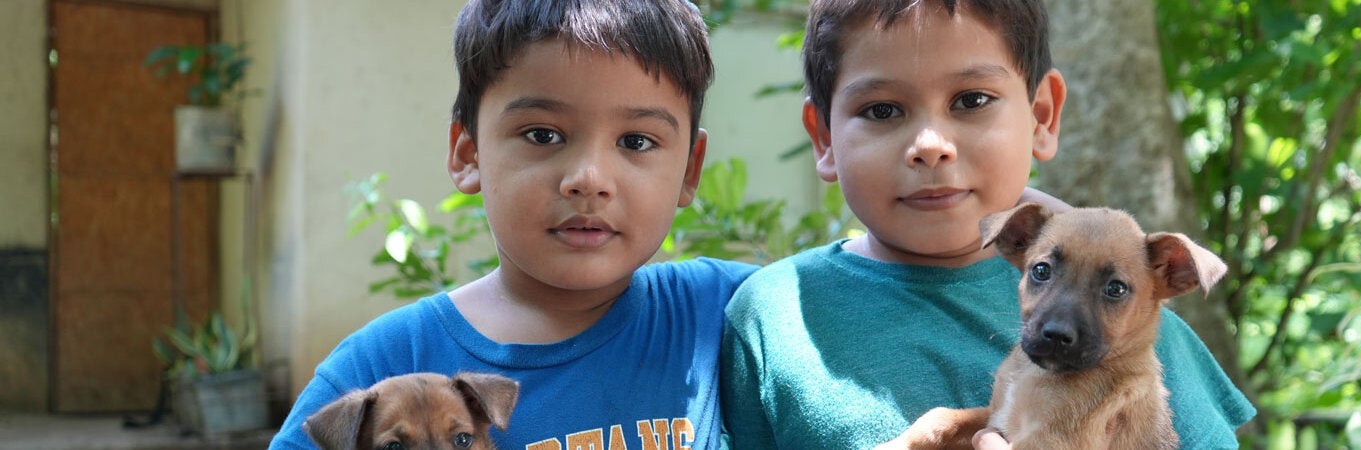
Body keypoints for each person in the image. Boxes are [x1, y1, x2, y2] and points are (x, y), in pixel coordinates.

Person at [719, 0, 1256, 448]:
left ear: (1041, 116)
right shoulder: (775, 316)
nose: (931, 146)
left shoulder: (1150, 335)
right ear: (824, 138)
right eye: (882, 110)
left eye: (971, 100)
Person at [269, 1, 757, 448]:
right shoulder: (382, 363)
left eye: (635, 141)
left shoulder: (726, 310)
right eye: (542, 134)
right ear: (469, 154)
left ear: (689, 169)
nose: (588, 179)